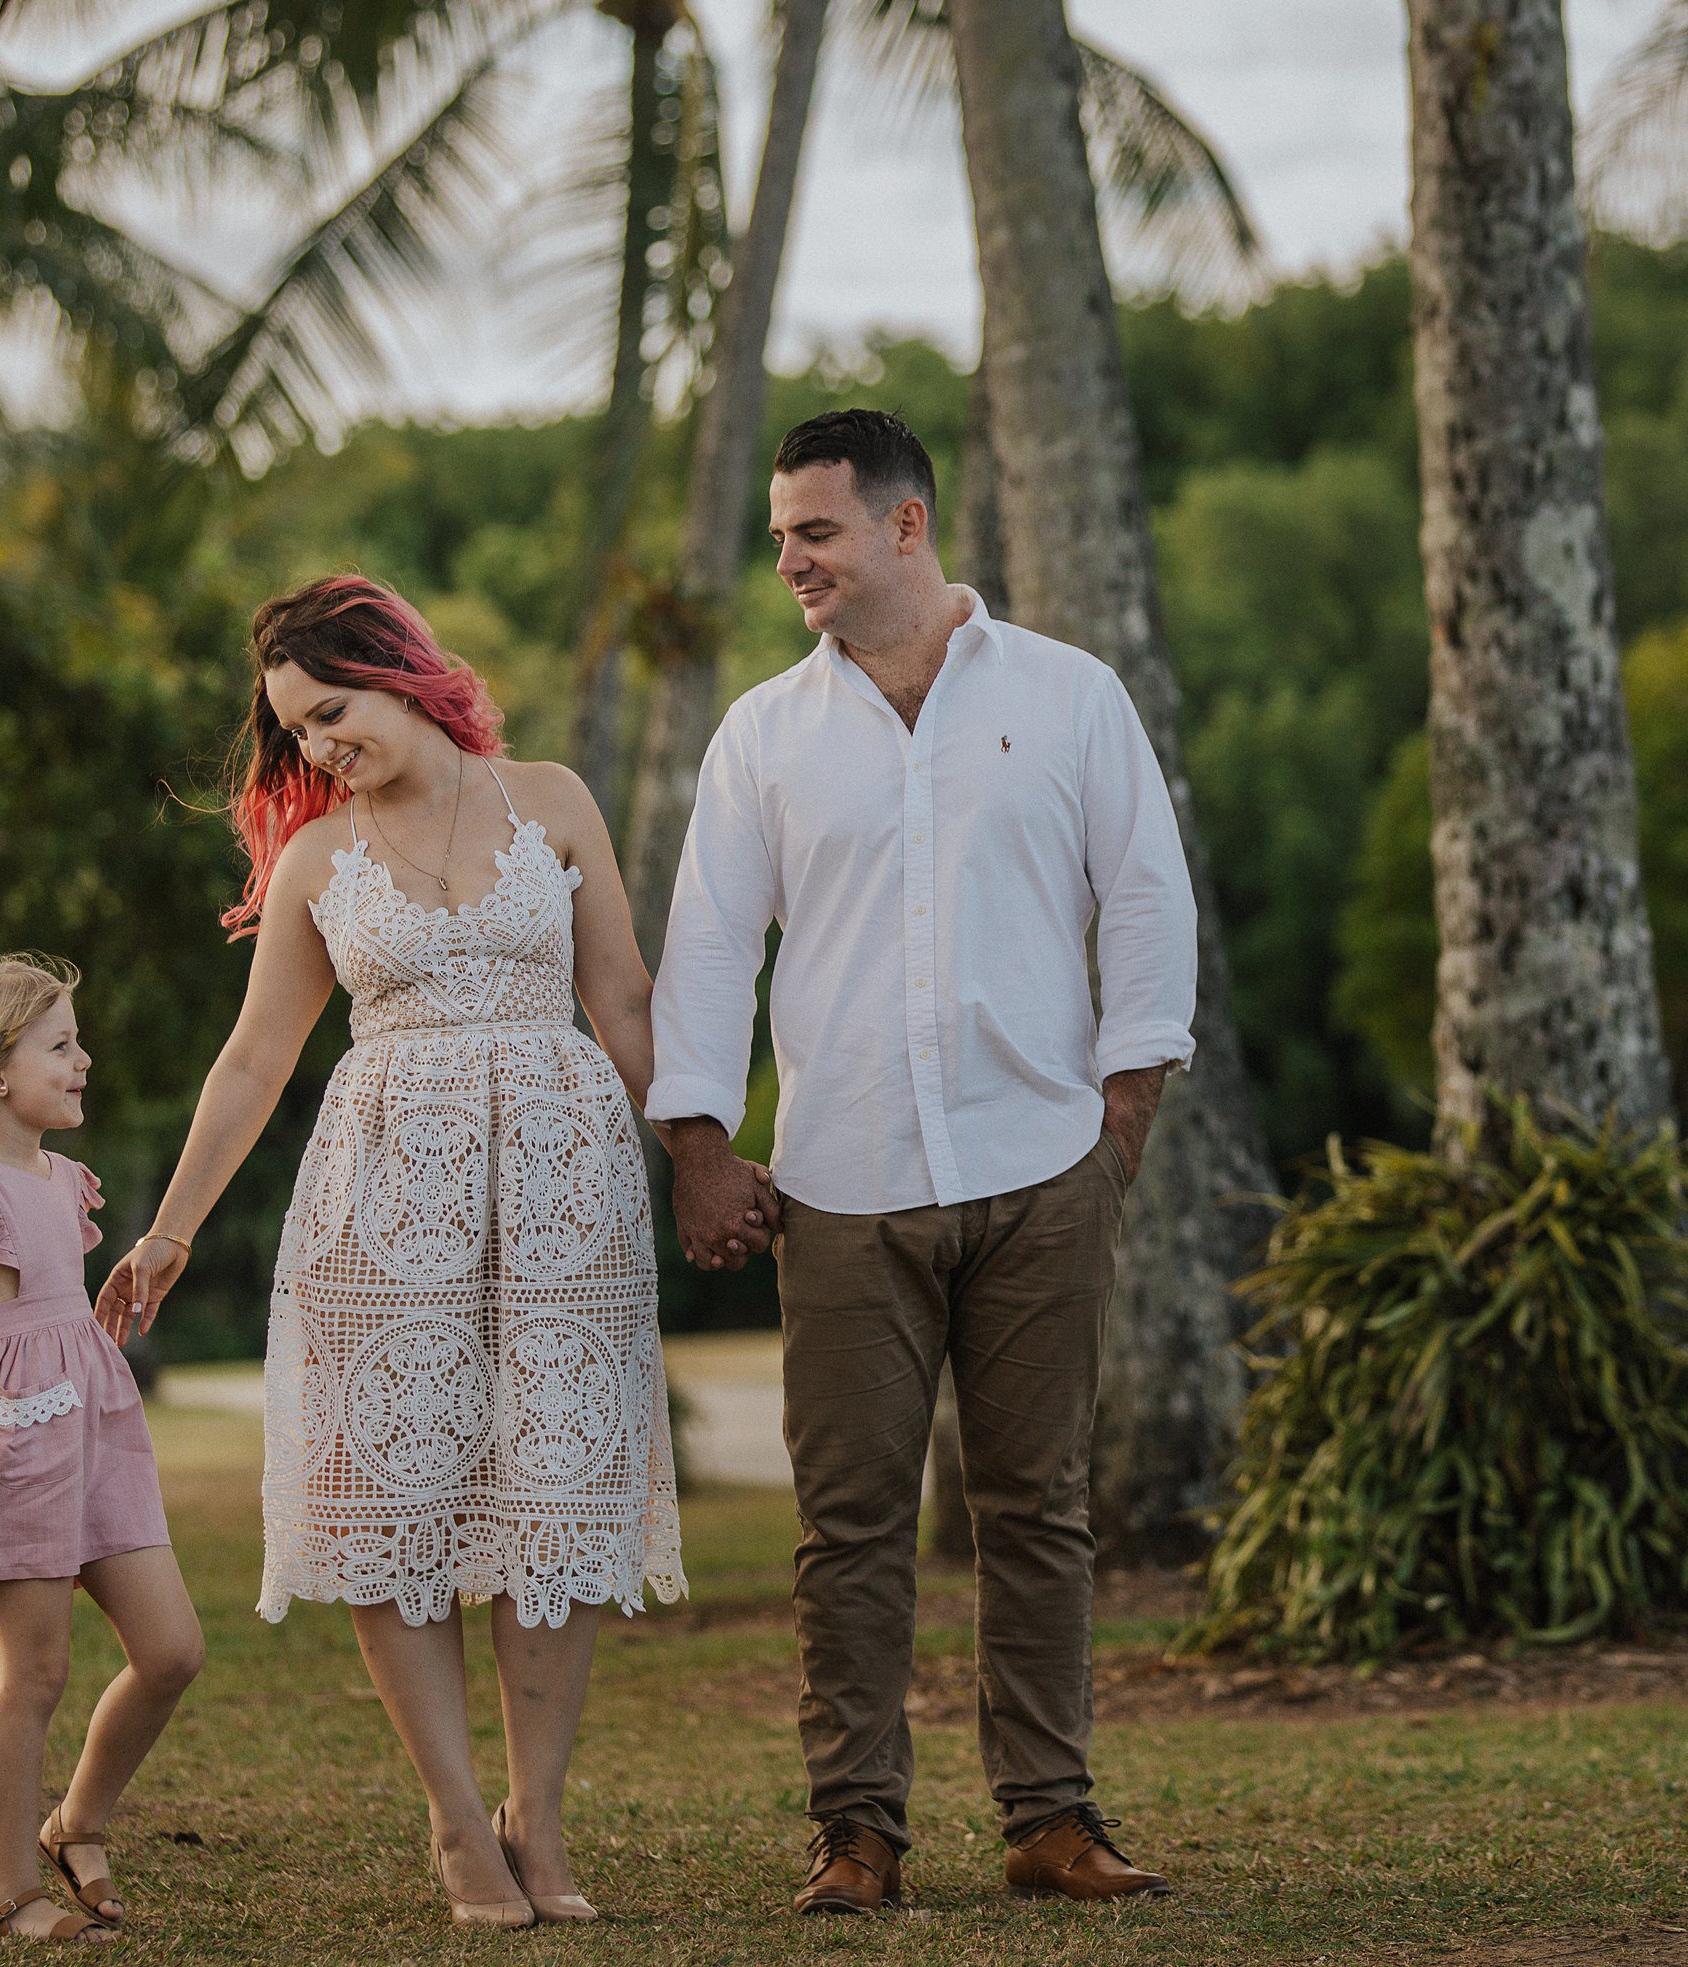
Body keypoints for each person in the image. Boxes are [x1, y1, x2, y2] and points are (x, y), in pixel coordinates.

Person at [97, 575, 722, 1930]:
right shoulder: (320, 859)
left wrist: (700, 1155)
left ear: (398, 671)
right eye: (295, 731)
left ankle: (537, 1817)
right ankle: (455, 1822)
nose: (317, 746)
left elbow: (619, 992)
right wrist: (167, 1230)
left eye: (331, 712)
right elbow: (257, 1056)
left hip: (563, 1190)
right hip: (386, 1194)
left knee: (552, 1495)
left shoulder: (550, 800)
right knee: (398, 1498)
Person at [647, 408, 1197, 1912]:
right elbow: (706, 945)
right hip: (840, 1182)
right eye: (778, 540)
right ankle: (856, 1831)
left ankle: (1051, 1816)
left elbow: (1144, 894)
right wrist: (700, 1141)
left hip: (1041, 1162)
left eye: (813, 533)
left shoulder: (1069, 697)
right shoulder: (764, 732)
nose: (789, 563)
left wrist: (1123, 1112)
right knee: (850, 1522)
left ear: (903, 526)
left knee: (1039, 1503)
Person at [0, 953, 205, 1945]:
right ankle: (10, 1891)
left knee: (173, 1648)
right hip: (10, 1449)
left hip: (95, 1428)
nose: (83, 1060)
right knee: (38, 1674)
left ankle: (78, 1822)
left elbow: (60, 1306)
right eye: (61, 1045)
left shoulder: (63, 1180)